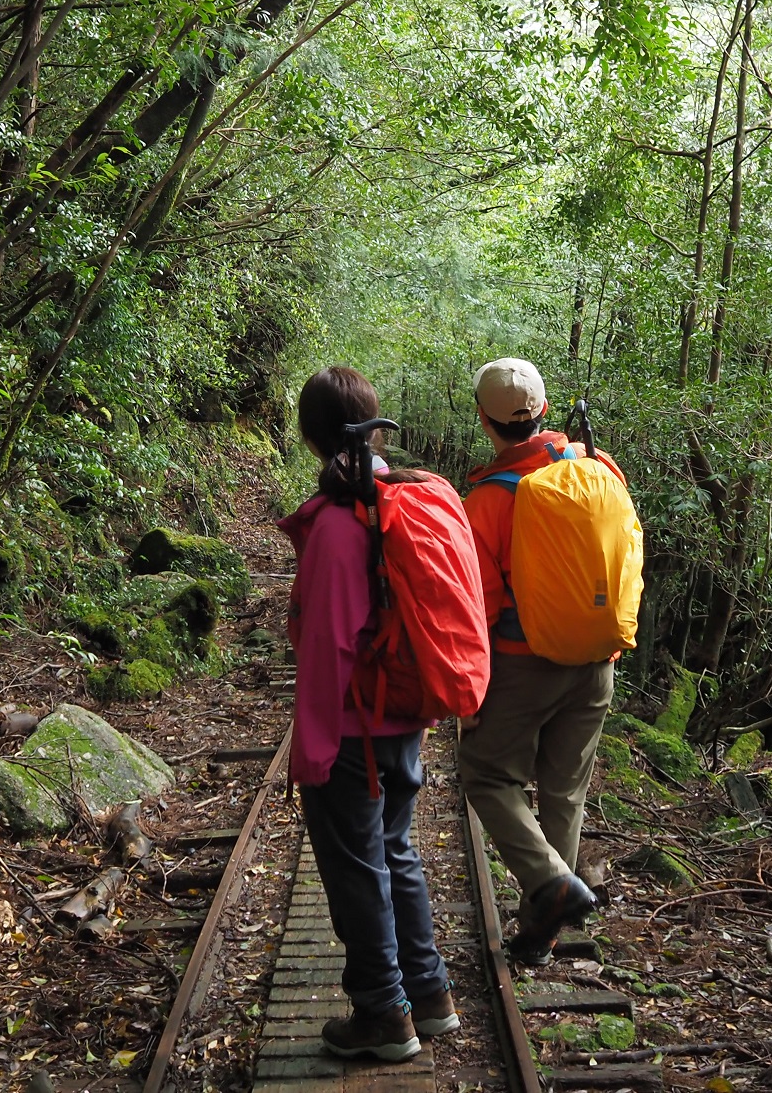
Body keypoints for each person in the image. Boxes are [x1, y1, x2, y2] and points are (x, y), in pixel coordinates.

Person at [277, 365, 458, 1061]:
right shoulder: (402, 495)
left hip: (353, 726)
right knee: (394, 852)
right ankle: (431, 993)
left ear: (309, 435)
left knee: (357, 866)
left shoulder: (337, 523)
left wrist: (313, 750)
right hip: (402, 717)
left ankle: (384, 1012)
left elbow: (325, 647)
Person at [458, 357, 624, 965]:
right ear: (546, 411)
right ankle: (540, 930)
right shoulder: (600, 468)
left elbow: (479, 604)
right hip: (597, 657)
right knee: (564, 792)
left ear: (483, 419)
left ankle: (551, 885)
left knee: (485, 774)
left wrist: (469, 696)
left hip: (523, 660)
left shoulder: (487, 502)